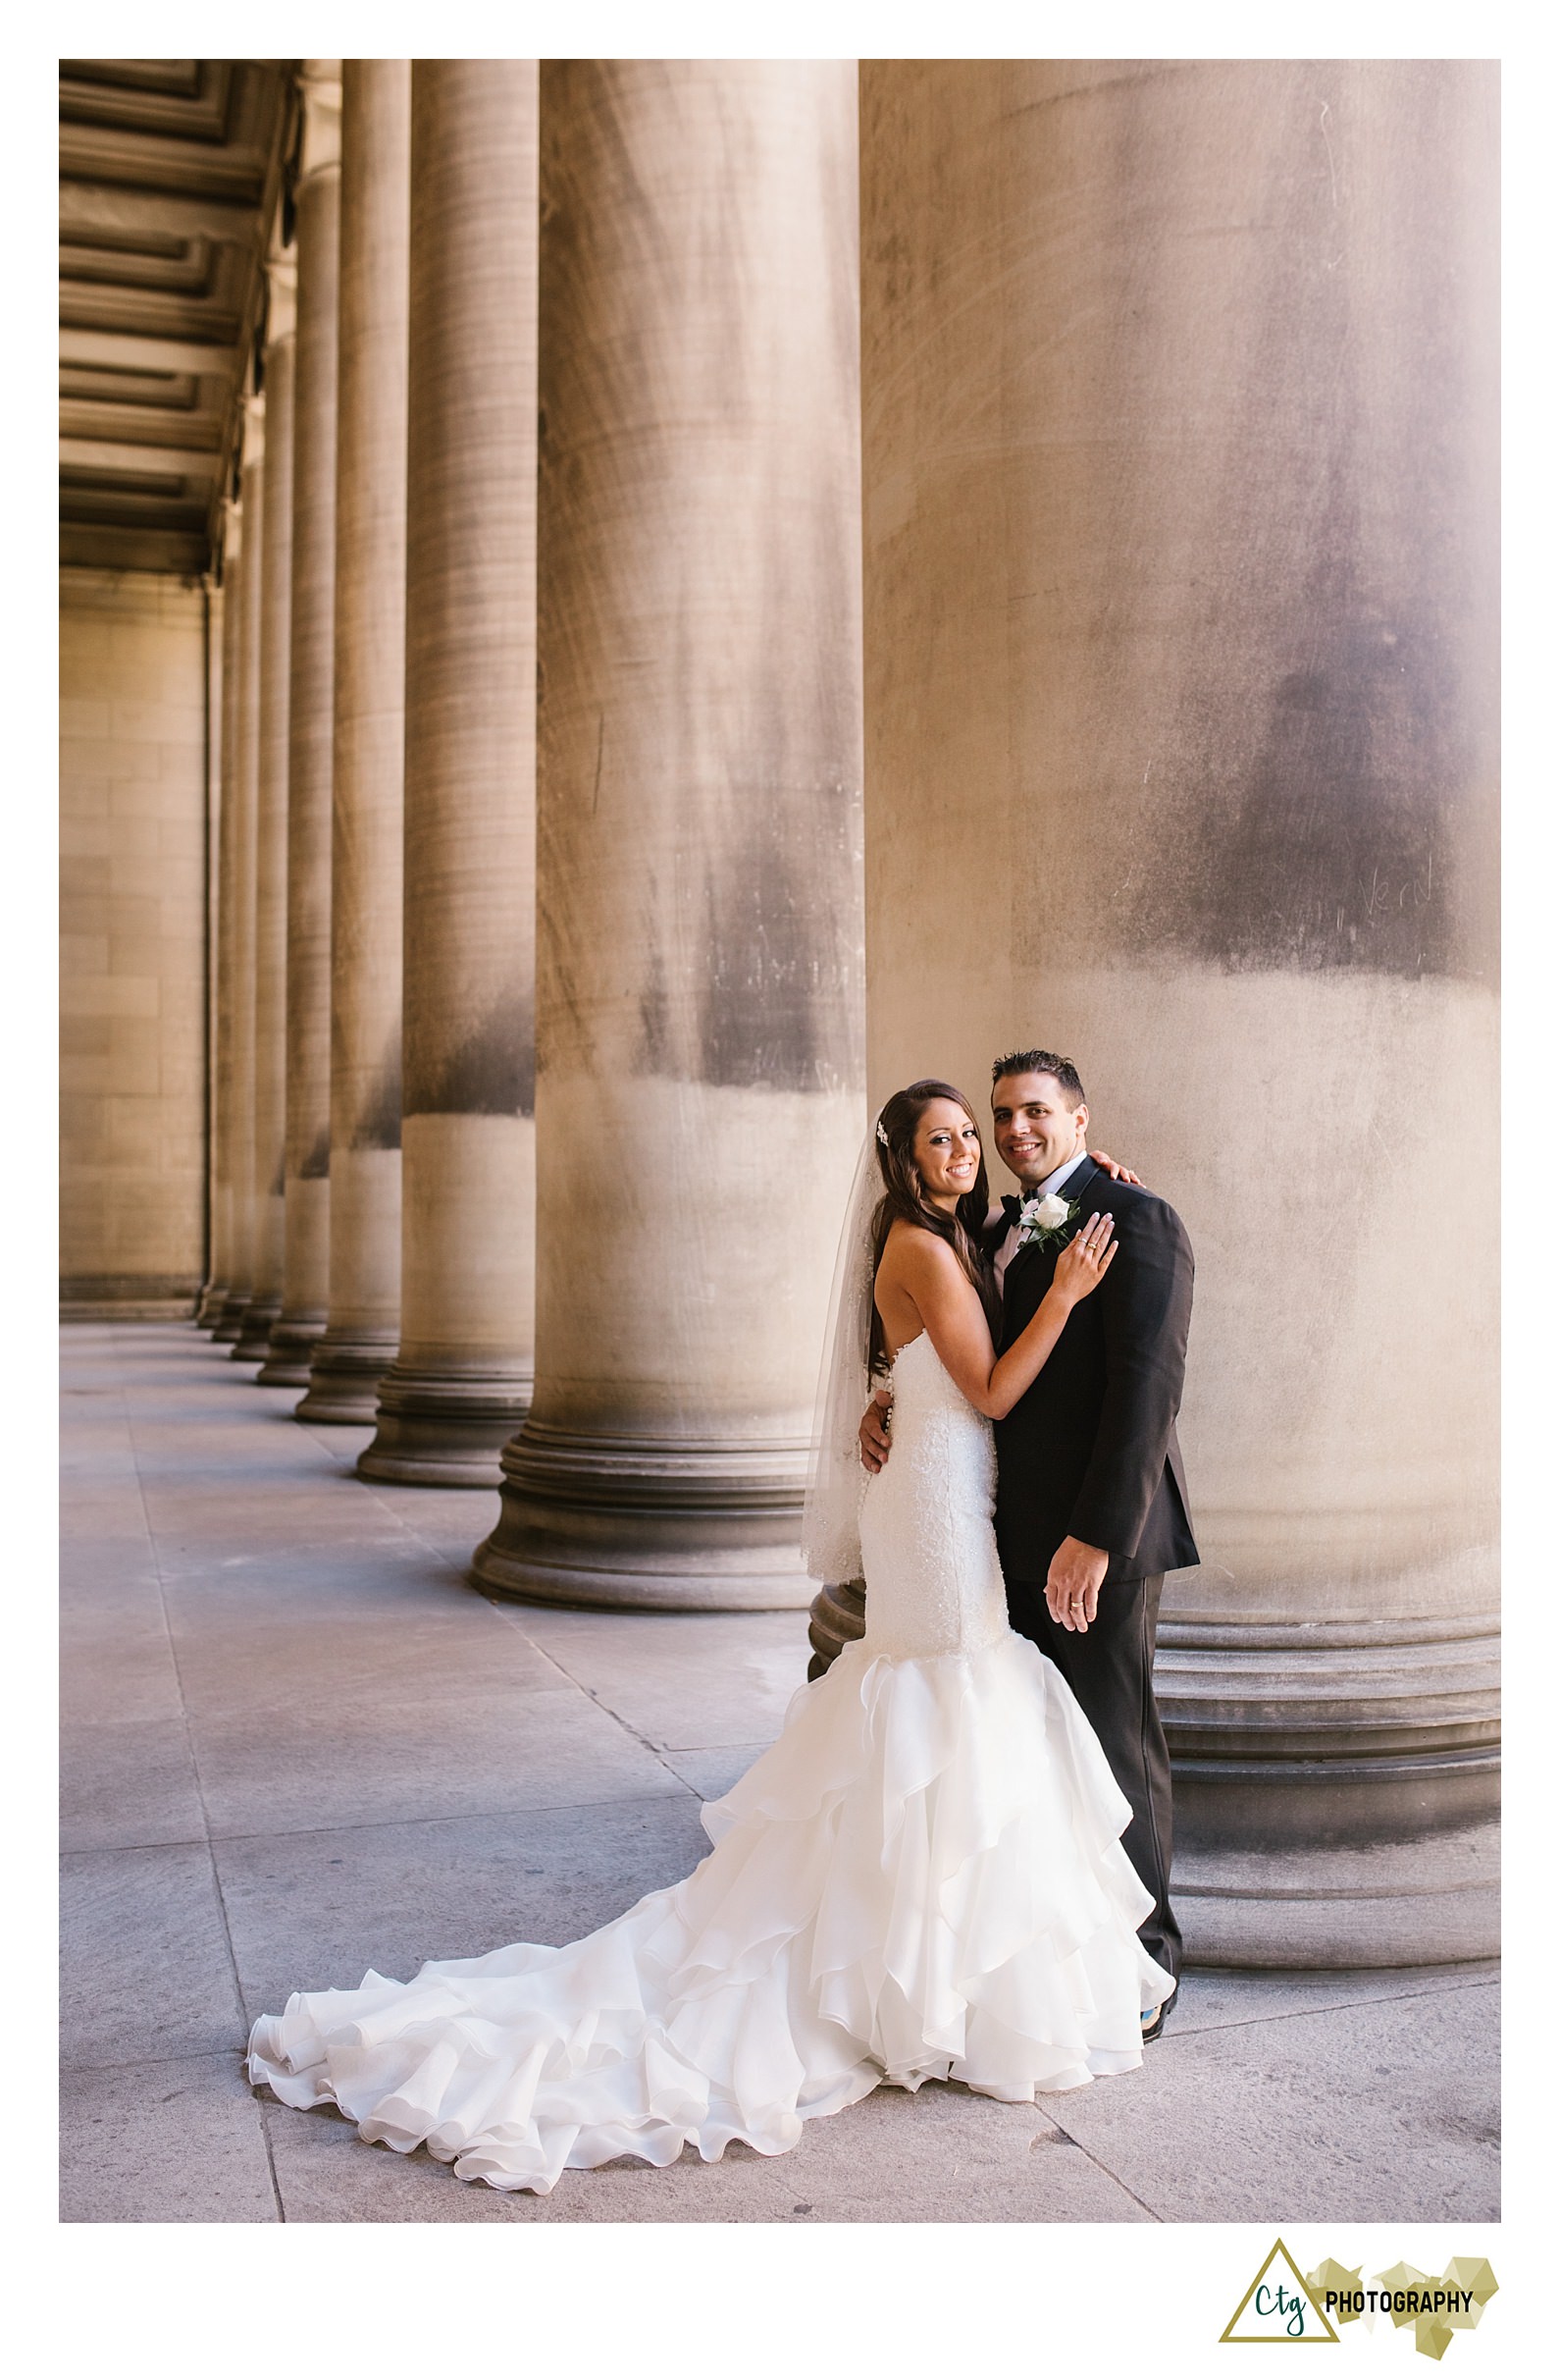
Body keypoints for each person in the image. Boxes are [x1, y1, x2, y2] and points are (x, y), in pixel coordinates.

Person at [246, 1079, 1174, 2196]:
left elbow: (951, 1360)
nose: (972, 1148)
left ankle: (931, 1972)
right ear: (902, 1155)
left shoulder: (969, 1230)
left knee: (954, 1709)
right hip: (937, 1510)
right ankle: (914, 1981)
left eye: (978, 1133)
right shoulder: (923, 1244)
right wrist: (1064, 1294)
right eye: (947, 1135)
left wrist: (897, 1383)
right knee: (948, 1700)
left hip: (950, 1489)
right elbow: (986, 1380)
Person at [859, 1050, 1198, 2033]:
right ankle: (1059, 1952)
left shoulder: (1139, 1220)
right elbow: (948, 1357)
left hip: (1096, 1542)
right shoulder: (989, 1225)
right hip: (994, 1538)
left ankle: (1147, 1961)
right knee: (1037, 1752)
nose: (1011, 1132)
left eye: (1034, 1113)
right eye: (999, 1115)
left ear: (1080, 1119)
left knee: (1112, 1748)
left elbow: (1148, 1395)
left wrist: (1096, 1535)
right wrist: (886, 1403)